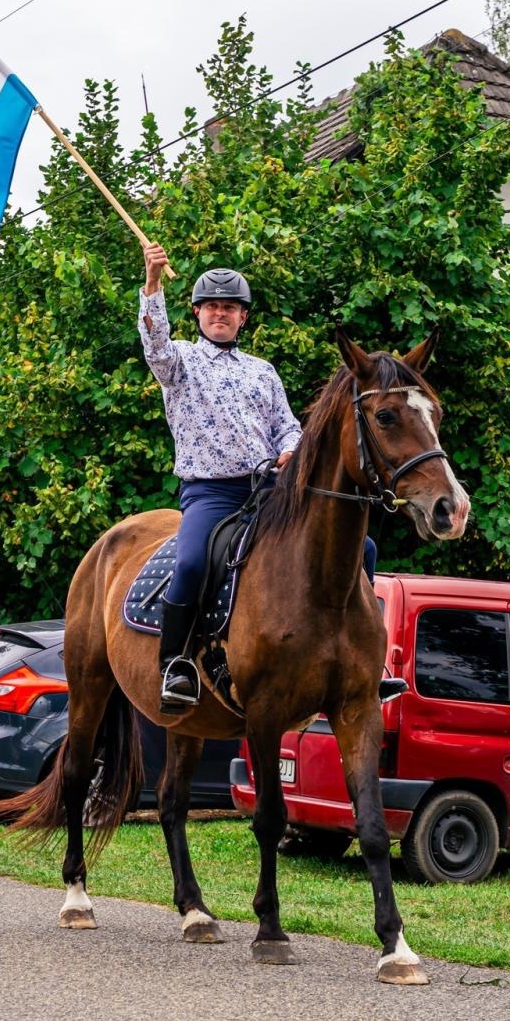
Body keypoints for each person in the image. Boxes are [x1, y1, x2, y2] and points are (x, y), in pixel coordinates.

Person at [138, 243, 377, 712]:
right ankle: (176, 662)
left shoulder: (262, 372)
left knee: (361, 547)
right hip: (211, 492)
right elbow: (155, 344)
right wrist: (152, 282)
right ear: (198, 313)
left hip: (270, 491)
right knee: (189, 564)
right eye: (211, 307)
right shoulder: (180, 362)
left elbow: (286, 425)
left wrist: (292, 449)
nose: (220, 314)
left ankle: (362, 654)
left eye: (229, 308)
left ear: (242, 317)